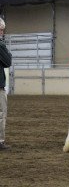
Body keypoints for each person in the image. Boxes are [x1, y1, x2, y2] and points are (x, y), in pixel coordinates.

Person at [0, 17, 12, 150]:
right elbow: (8, 62)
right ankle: (0, 141)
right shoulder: (0, 45)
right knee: (1, 113)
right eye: (1, 30)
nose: (2, 33)